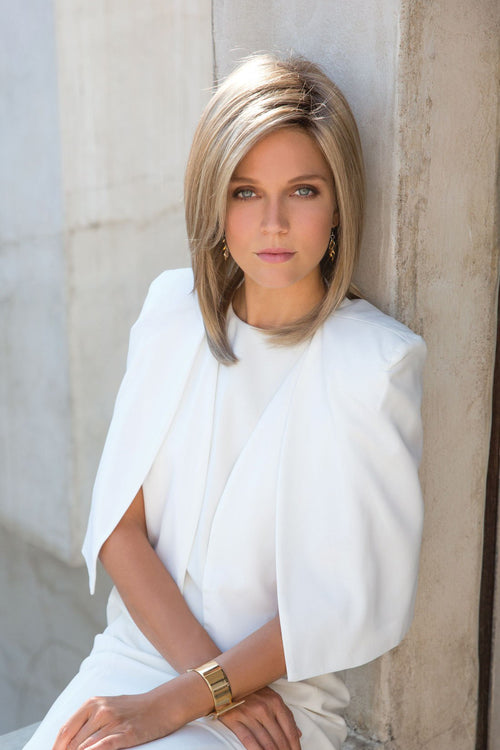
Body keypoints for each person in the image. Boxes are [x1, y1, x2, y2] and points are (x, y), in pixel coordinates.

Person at [25, 53, 426, 750]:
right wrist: (203, 686)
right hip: (141, 656)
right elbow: (120, 529)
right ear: (215, 200)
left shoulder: (375, 363)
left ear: (338, 205)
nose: (273, 222)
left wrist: (193, 699)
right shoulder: (170, 313)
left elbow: (345, 598)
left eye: (303, 191)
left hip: (280, 705)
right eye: (246, 192)